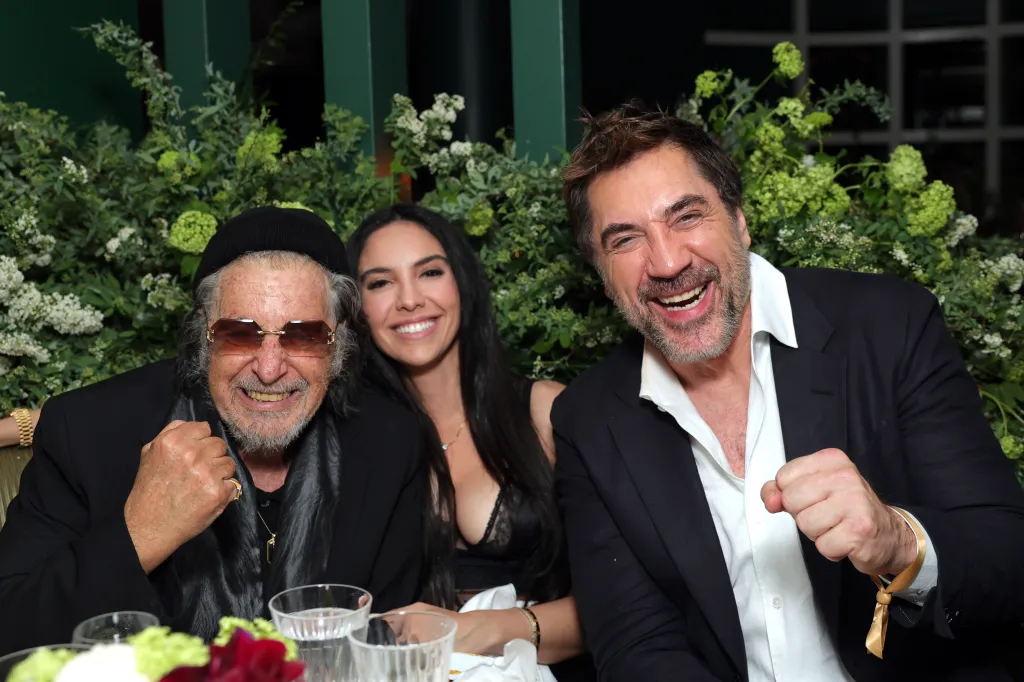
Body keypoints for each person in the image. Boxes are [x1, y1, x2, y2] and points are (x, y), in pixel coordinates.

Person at [552, 103, 1024, 682]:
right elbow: (636, 643)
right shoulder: (589, 418)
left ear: (740, 221)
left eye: (687, 216)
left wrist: (898, 544)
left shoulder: (888, 327)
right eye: (625, 240)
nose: (668, 260)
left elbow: (1008, 558)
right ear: (602, 274)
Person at [0, 207, 426, 653]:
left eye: (303, 336)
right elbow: (10, 627)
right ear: (202, 336)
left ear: (338, 343)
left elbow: (388, 640)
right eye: (239, 333)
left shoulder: (388, 444)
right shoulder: (88, 432)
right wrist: (138, 534)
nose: (268, 368)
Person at [347, 204, 591, 678]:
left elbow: (631, 597)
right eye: (380, 282)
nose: (410, 299)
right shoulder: (350, 444)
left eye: (430, 272)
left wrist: (478, 628)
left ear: (462, 282)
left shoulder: (544, 413)